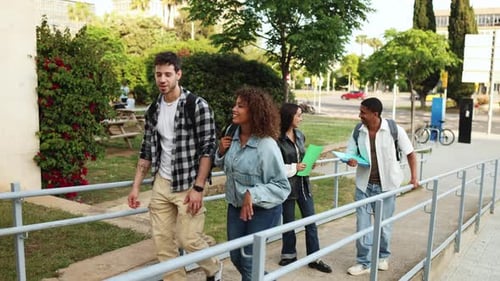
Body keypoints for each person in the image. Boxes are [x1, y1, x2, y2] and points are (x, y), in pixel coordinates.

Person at [127, 51, 222, 281]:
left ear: (178, 74)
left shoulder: (196, 106)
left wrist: (198, 188)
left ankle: (214, 267)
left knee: (187, 239)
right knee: (162, 242)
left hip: (188, 183)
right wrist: (136, 187)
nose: (162, 79)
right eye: (158, 74)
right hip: (161, 182)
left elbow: (208, 149)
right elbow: (146, 150)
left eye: (168, 74)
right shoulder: (153, 109)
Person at [215, 87, 291, 281]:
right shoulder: (231, 134)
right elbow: (228, 168)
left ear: (254, 112)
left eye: (240, 106)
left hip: (263, 211)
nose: (234, 109)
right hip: (236, 207)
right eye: (235, 104)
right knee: (236, 257)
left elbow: (282, 186)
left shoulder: (266, 145)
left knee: (248, 259)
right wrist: (221, 153)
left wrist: (252, 193)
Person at [344, 97, 418, 276]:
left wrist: (414, 178)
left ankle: (383, 256)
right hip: (364, 185)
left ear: (374, 114)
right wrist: (350, 159)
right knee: (362, 225)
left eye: (363, 112)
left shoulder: (394, 130)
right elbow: (350, 153)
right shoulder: (358, 131)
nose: (359, 115)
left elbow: (410, 153)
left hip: (387, 186)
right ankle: (364, 262)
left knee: (384, 226)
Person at [276, 103, 332, 273]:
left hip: (303, 185)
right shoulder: (276, 140)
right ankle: (288, 255)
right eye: (298, 115)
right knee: (288, 222)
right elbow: (275, 167)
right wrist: (295, 167)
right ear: (288, 117)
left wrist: (309, 163)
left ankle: (314, 258)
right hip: (287, 187)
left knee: (311, 221)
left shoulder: (300, 135)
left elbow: (302, 156)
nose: (301, 118)